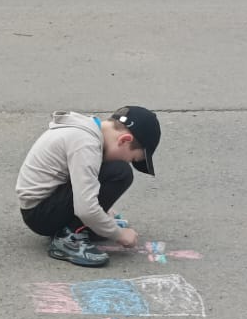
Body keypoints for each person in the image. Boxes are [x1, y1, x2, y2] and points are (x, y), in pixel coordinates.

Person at [16, 105, 161, 267]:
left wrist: (102, 214)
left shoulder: (90, 130)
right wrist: (119, 234)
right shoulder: (86, 144)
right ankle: (69, 238)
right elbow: (86, 209)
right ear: (124, 140)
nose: (128, 161)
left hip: (44, 204)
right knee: (120, 172)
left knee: (113, 171)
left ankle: (88, 225)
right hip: (41, 215)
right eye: (133, 158)